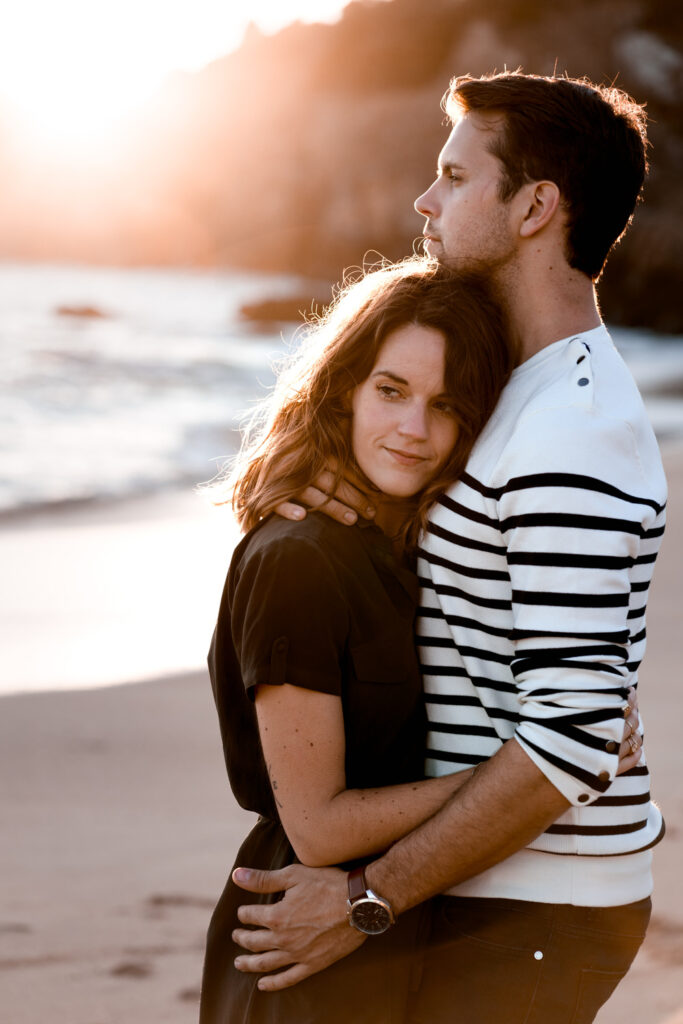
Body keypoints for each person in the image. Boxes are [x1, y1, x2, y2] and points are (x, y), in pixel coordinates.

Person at [230, 71, 665, 1023]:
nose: (424, 203)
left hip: (536, 902)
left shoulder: (571, 428)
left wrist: (364, 900)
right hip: (493, 881)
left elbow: (573, 733)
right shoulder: (513, 389)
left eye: (454, 175)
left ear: (534, 207)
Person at [199, 260, 517, 1023]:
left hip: (388, 925)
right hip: (303, 942)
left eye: (446, 406)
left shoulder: (401, 543)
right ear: (344, 388)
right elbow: (317, 826)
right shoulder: (300, 560)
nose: (413, 430)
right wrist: (527, 782)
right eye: (390, 391)